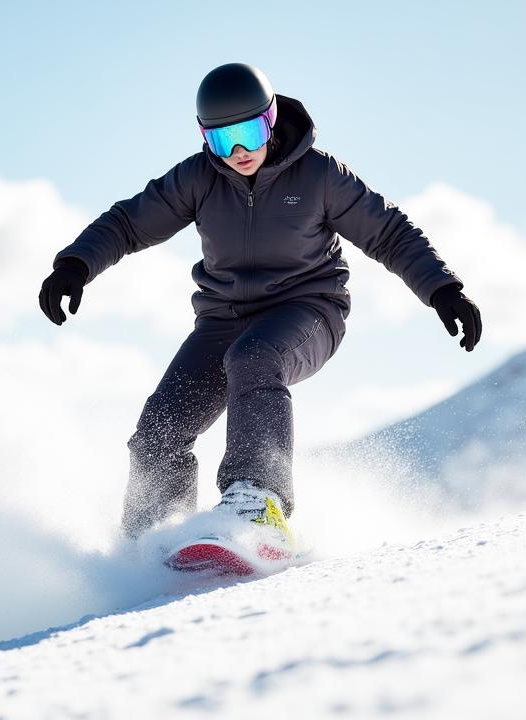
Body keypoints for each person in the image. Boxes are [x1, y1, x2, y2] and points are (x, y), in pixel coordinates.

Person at [40, 63, 481, 546]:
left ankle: (257, 503)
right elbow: (128, 223)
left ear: (270, 120)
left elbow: (390, 233)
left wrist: (443, 290)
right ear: (204, 139)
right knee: (160, 427)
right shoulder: (198, 178)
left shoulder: (319, 176)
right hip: (222, 319)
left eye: (249, 132)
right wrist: (75, 265)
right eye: (221, 140)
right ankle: (157, 539)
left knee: (254, 359)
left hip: (308, 310)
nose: (239, 152)